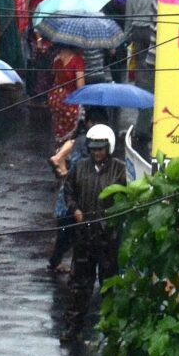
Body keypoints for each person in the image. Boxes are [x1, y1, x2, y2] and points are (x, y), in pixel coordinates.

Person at [61, 124, 124, 340]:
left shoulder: (120, 169)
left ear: (109, 148)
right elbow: (68, 192)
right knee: (79, 285)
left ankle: (111, 330)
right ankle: (73, 327)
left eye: (101, 148)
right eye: (93, 148)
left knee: (109, 286)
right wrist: (75, 209)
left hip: (108, 239)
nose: (97, 152)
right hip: (84, 238)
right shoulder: (79, 168)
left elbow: (127, 200)